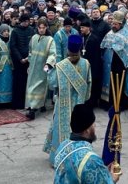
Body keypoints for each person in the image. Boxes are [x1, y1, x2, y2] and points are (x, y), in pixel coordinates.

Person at [43, 35, 91, 164]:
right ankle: (78, 158)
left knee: (61, 130)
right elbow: (89, 84)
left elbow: (52, 84)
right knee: (79, 129)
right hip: (80, 105)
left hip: (63, 104)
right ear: (80, 49)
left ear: (68, 50)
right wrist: (83, 98)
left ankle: (60, 158)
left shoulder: (60, 66)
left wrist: (48, 70)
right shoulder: (86, 64)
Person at [52, 102, 119, 184]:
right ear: (87, 130)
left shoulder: (62, 146)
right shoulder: (91, 160)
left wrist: (101, 170)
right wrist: (113, 179)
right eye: (93, 124)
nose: (95, 126)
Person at [100, 11, 128, 110]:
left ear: (121, 24)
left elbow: (127, 51)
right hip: (108, 63)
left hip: (119, 64)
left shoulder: (125, 34)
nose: (113, 25)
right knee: (108, 82)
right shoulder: (110, 33)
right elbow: (103, 45)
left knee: (118, 83)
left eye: (116, 24)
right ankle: (107, 102)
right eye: (112, 23)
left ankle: (118, 104)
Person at [25, 18, 56, 119]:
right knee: (31, 87)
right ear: (37, 28)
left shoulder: (50, 40)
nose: (41, 29)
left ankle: (32, 110)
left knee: (39, 88)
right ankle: (37, 106)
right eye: (40, 28)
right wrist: (29, 64)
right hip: (33, 67)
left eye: (43, 27)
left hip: (43, 67)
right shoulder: (34, 38)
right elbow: (30, 51)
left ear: (46, 28)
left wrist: (48, 64)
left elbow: (52, 54)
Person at [9, 14, 35, 110]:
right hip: (18, 61)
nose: (26, 23)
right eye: (24, 21)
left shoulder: (31, 30)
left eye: (28, 21)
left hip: (29, 60)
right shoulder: (15, 31)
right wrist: (20, 58)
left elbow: (33, 44)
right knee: (18, 82)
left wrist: (29, 57)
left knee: (28, 82)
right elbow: (13, 46)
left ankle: (28, 103)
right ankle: (17, 104)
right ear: (21, 21)